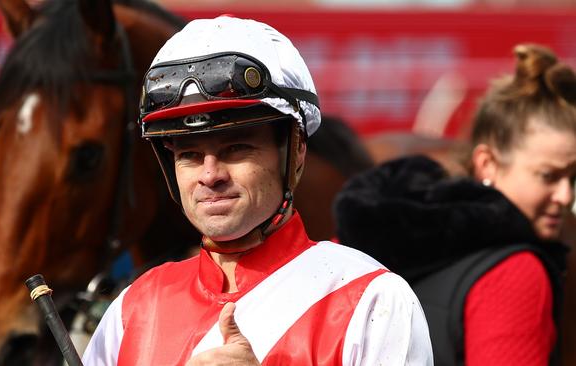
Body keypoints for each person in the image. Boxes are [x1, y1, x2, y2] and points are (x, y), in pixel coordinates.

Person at [82, 15, 432, 365]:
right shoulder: (131, 309)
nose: (209, 174)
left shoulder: (374, 297)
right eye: (189, 154)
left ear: (296, 150)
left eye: (236, 148)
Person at [334, 43, 576, 365]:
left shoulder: (355, 248)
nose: (565, 196)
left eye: (573, 179)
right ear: (487, 163)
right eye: (548, 176)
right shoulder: (515, 270)